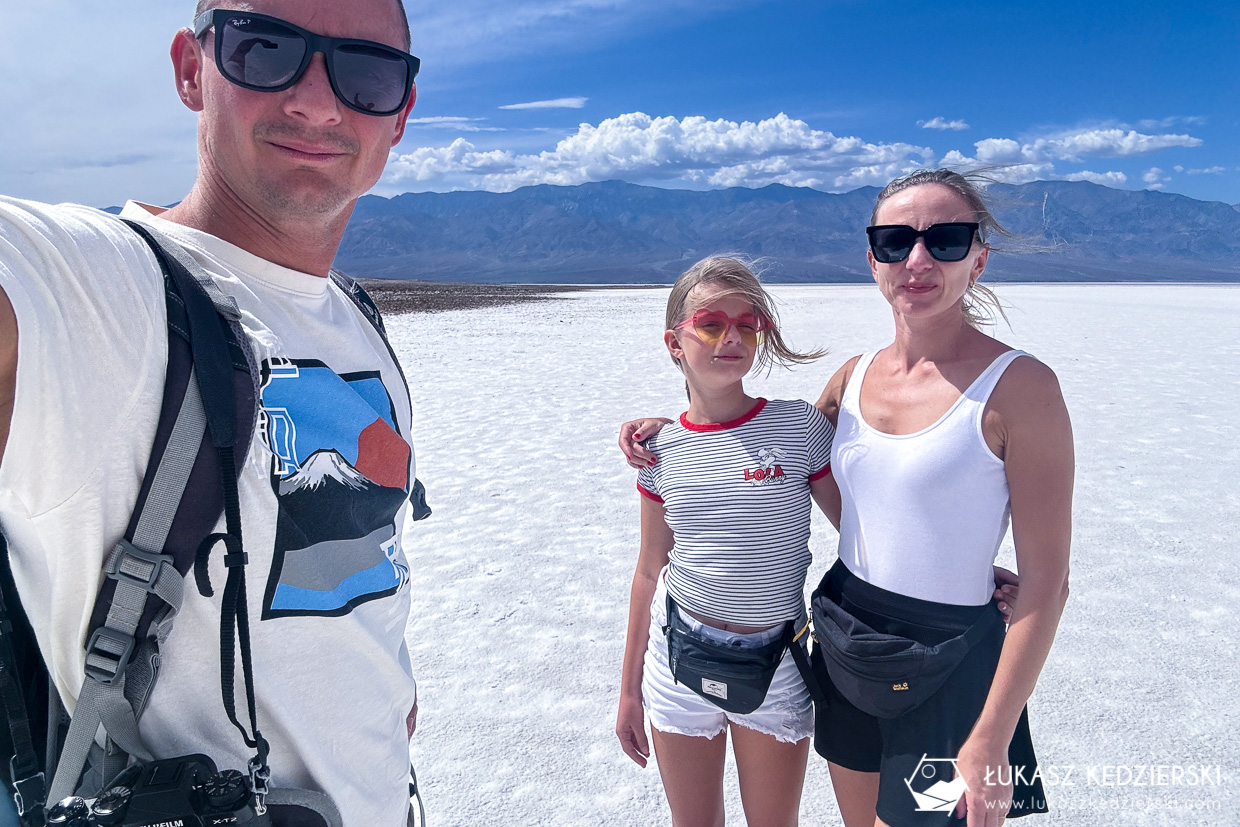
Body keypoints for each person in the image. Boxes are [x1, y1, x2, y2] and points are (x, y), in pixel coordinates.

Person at [0, 1, 423, 825]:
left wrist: (384, 693)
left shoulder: (359, 319)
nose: (316, 101)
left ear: (400, 115)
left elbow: (366, 563)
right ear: (193, 70)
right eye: (266, 49)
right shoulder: (106, 296)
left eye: (365, 72)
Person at [620, 169, 1068, 827]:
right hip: (845, 639)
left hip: (950, 661)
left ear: (979, 257)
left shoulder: (1022, 387)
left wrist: (994, 733)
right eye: (895, 240)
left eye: (945, 239)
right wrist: (662, 429)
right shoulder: (851, 380)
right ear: (873, 257)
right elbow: (757, 456)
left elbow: (1051, 577)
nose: (917, 259)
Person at [615, 256, 835, 827]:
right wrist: (630, 690)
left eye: (748, 323)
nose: (731, 337)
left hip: (776, 659)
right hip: (677, 662)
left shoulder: (798, 429)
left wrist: (963, 573)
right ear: (675, 342)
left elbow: (865, 532)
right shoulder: (657, 452)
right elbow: (648, 570)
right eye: (711, 323)